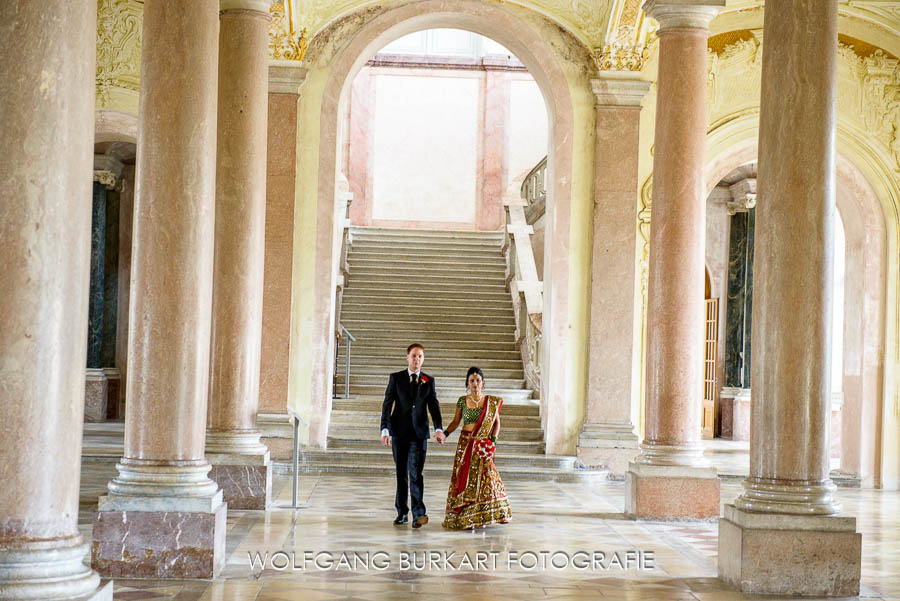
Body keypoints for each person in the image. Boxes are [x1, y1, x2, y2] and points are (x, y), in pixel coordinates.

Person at [380, 343, 445, 528]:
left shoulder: (428, 380)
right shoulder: (396, 378)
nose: (417, 359)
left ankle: (419, 514)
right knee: (402, 474)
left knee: (416, 473)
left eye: (420, 356)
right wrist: (385, 429)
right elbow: (387, 404)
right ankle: (402, 512)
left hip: (419, 434)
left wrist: (438, 428)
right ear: (407, 357)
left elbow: (434, 406)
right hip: (399, 433)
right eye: (414, 356)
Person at [441, 366, 512, 529]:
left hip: (482, 444)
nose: (475, 383)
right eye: (472, 381)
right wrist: (445, 433)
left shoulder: (490, 402)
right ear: (467, 383)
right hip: (465, 444)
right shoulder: (462, 400)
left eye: (478, 380)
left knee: (485, 479)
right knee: (464, 479)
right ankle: (465, 515)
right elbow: (456, 422)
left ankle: (483, 515)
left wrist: (492, 442)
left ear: (483, 383)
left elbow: (496, 423)